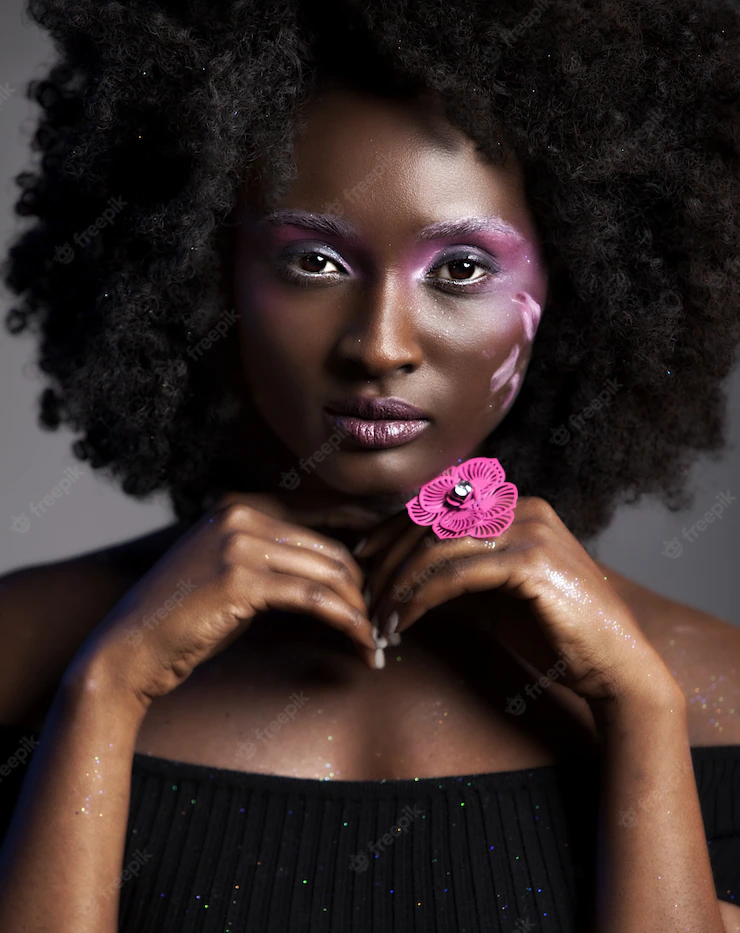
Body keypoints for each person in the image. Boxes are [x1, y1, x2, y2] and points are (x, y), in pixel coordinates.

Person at [0, 0, 739, 930]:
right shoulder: (25, 653)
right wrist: (105, 694)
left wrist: (641, 710)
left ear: (581, 281)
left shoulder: (713, 692)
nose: (381, 346)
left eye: (463, 269)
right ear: (200, 272)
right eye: (312, 259)